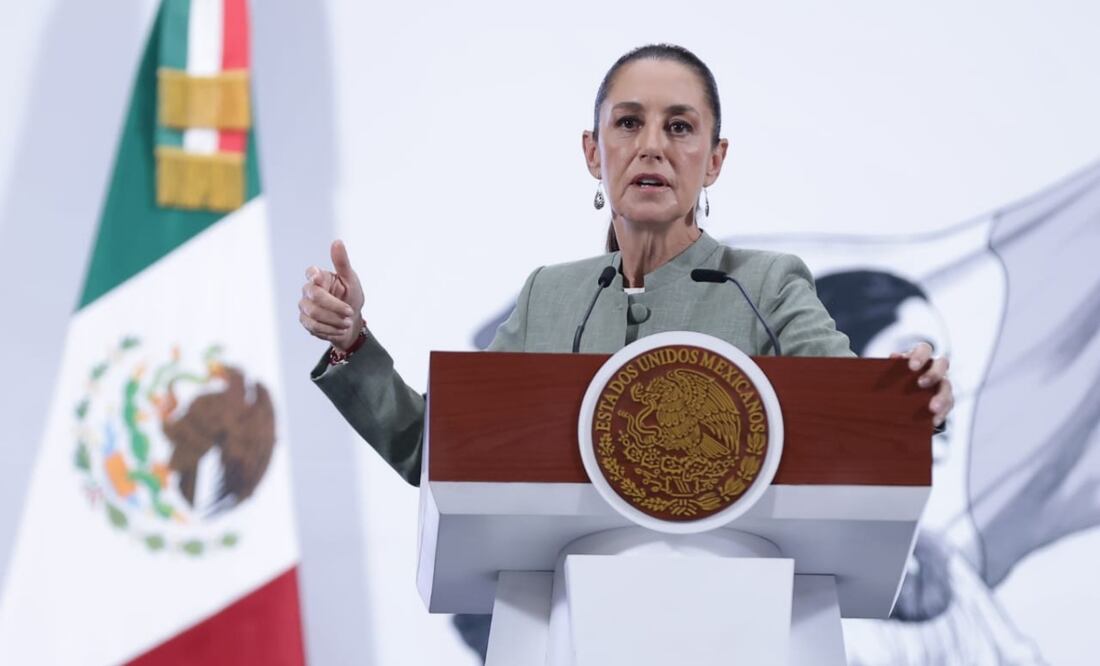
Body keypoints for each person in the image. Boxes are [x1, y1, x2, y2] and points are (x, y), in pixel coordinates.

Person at [297, 43, 955, 660]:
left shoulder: (765, 286)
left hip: (742, 631)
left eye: (679, 127)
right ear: (593, 150)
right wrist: (352, 341)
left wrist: (913, 400)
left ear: (715, 158)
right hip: (563, 632)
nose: (651, 147)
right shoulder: (548, 297)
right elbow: (433, 449)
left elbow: (859, 417)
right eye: (629, 123)